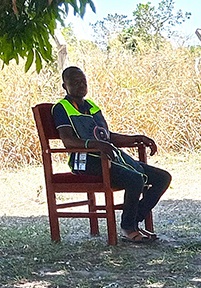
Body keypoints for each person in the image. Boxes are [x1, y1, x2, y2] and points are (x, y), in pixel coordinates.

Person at [52, 66, 172, 243]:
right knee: (135, 179)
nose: (81, 85)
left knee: (162, 177)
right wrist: (96, 145)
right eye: (75, 82)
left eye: (83, 81)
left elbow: (107, 136)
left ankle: (134, 219)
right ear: (64, 86)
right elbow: (68, 141)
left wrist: (136, 138)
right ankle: (128, 227)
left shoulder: (92, 106)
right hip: (85, 162)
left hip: (109, 157)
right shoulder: (61, 108)